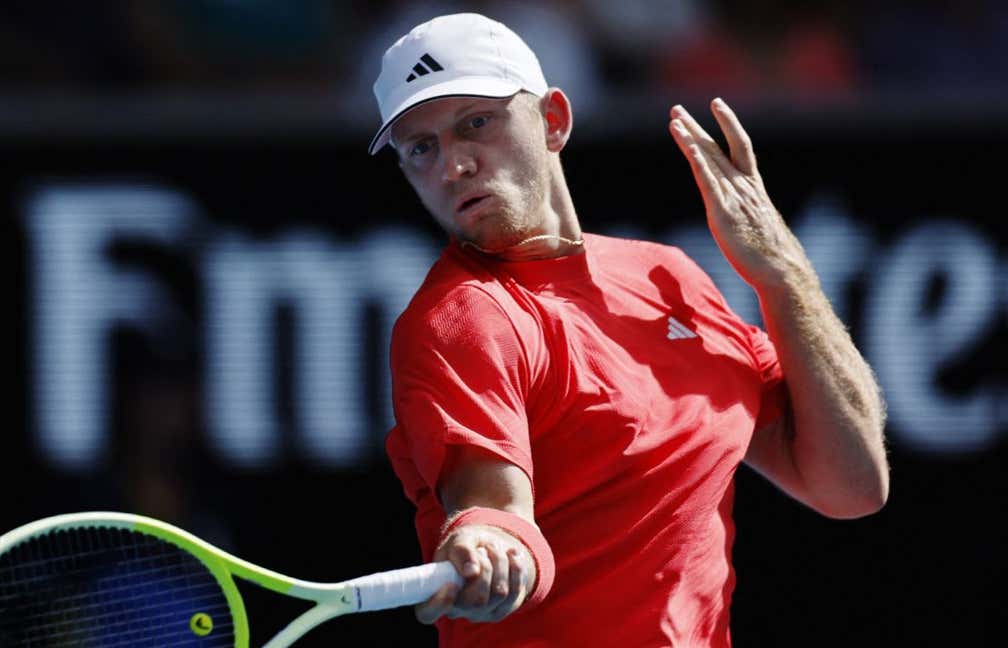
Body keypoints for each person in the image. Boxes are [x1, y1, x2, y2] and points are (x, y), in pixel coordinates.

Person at [368, 12, 889, 647]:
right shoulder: (461, 320)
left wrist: (785, 275)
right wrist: (486, 541)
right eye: (421, 149)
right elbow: (493, 507)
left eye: (475, 123)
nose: (452, 166)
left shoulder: (670, 278)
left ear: (554, 119)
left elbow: (853, 485)